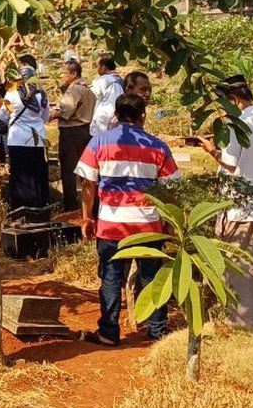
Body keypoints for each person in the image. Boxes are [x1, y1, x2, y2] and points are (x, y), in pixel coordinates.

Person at [76, 93, 179, 346]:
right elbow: (171, 189)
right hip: (148, 225)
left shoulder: (99, 143)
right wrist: (169, 221)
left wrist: (87, 218)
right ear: (143, 115)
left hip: (111, 224)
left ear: (116, 115)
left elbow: (88, 184)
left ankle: (109, 332)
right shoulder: (158, 146)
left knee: (111, 278)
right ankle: (157, 330)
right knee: (153, 278)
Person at [200, 75, 253, 327]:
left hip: (241, 208)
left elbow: (230, 162)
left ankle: (243, 321)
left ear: (234, 100)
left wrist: (211, 150)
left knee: (241, 267)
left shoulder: (237, 126)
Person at [4, 55, 50, 209]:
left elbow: (3, 115)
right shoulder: (42, 95)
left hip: (17, 139)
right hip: (37, 140)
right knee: (37, 174)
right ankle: (39, 207)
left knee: (20, 175)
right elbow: (46, 116)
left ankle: (20, 208)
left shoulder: (11, 94)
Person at [51, 60, 95, 211]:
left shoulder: (74, 90)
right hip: (85, 130)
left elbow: (66, 113)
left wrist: (54, 114)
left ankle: (70, 206)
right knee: (85, 169)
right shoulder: (87, 90)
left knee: (69, 169)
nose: (62, 76)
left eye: (64, 73)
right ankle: (89, 205)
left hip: (71, 132)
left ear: (74, 74)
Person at [89, 56, 124, 137]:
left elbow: (91, 95)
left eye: (98, 66)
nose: (97, 69)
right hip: (117, 117)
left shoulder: (104, 79)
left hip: (103, 120)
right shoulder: (120, 80)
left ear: (104, 67)